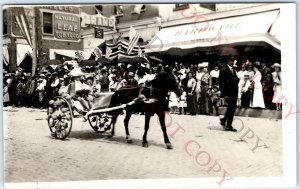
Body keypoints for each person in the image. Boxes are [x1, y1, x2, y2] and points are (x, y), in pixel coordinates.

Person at [219, 53, 239, 132]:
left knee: (232, 108)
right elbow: (221, 83)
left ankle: (224, 120)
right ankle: (228, 125)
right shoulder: (223, 70)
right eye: (231, 60)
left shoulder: (234, 70)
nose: (232, 61)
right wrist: (224, 94)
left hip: (234, 92)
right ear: (227, 61)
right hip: (228, 93)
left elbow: (235, 80)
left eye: (233, 60)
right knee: (231, 108)